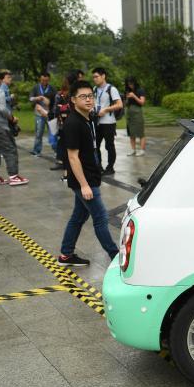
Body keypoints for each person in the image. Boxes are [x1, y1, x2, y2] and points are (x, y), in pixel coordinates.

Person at [58, 80, 119, 266]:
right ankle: (116, 256)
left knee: (79, 216)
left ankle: (66, 255)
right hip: (84, 181)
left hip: (90, 176)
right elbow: (73, 157)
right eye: (83, 97)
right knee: (100, 218)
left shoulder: (87, 118)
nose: (88, 100)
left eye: (90, 96)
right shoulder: (73, 123)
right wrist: (84, 185)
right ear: (74, 100)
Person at [0, 69, 28, 186]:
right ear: (0, 80)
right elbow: (2, 109)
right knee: (10, 149)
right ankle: (13, 176)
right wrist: (11, 118)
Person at [91, 67, 123, 175]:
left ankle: (110, 167)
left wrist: (106, 110)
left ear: (103, 76)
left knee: (109, 146)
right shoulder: (94, 89)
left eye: (96, 76)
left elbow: (119, 105)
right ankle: (99, 166)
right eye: (93, 77)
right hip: (97, 121)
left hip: (108, 122)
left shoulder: (111, 89)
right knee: (96, 145)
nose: (94, 79)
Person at [29, 71, 56, 157]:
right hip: (39, 113)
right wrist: (37, 98)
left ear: (49, 80)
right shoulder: (36, 87)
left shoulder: (52, 88)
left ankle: (57, 151)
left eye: (46, 80)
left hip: (49, 113)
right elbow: (30, 98)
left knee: (53, 132)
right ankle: (36, 150)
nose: (44, 82)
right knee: (38, 133)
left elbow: (56, 99)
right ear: (40, 79)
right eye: (42, 80)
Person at [52, 76, 72, 180]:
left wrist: (61, 109)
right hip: (70, 124)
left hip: (63, 125)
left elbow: (56, 110)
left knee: (65, 146)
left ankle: (66, 173)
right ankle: (67, 172)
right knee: (69, 147)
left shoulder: (59, 95)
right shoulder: (72, 95)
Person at [124, 76, 147, 156]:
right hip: (129, 113)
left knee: (140, 132)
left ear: (134, 82)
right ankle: (133, 150)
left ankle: (142, 150)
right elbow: (126, 103)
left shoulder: (140, 90)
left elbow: (142, 102)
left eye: (131, 83)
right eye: (128, 83)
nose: (130, 85)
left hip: (137, 113)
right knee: (131, 133)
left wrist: (134, 96)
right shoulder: (128, 91)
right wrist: (126, 99)